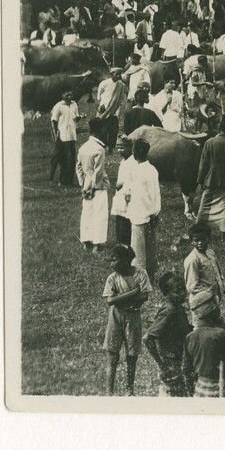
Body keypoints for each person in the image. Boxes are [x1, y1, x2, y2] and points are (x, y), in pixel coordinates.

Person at [101, 241, 152, 395]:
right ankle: (109, 391)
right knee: (113, 354)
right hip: (116, 317)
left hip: (133, 317)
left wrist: (122, 297)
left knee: (132, 354)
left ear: (127, 260)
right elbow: (110, 300)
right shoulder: (113, 278)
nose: (112, 264)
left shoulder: (140, 274)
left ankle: (129, 388)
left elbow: (144, 296)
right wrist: (132, 293)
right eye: (111, 260)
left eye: (115, 259)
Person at [117, 137, 162, 279]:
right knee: (150, 247)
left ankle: (140, 277)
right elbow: (156, 193)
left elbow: (127, 189)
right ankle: (151, 273)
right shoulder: (153, 169)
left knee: (138, 248)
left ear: (134, 153)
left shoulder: (135, 171)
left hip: (138, 215)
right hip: (151, 214)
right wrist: (156, 211)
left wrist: (123, 192)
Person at [144, 273, 193, 397]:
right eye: (177, 291)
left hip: (179, 359)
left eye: (183, 289)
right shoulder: (169, 311)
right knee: (172, 395)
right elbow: (148, 338)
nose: (182, 293)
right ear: (167, 294)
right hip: (171, 362)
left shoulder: (178, 308)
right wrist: (161, 363)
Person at [183, 302, 225, 398]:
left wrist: (190, 388)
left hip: (201, 386)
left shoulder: (190, 337)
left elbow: (186, 367)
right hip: (221, 384)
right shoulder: (220, 334)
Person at [182, 222, 225, 325]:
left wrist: (221, 288)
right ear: (191, 241)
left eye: (203, 239)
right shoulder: (192, 260)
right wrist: (209, 294)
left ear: (209, 238)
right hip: (201, 300)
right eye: (196, 240)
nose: (200, 243)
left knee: (214, 323)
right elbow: (192, 286)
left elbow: (217, 271)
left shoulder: (210, 253)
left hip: (213, 297)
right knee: (201, 326)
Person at [75, 129, 111, 251]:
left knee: (87, 212)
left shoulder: (83, 148)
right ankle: (97, 243)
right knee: (100, 213)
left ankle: (86, 241)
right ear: (98, 132)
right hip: (98, 185)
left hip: (86, 184)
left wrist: (82, 184)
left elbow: (78, 167)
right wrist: (94, 187)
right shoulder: (99, 149)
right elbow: (99, 171)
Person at [48, 91, 80, 185]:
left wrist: (80, 117)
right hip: (62, 136)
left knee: (70, 159)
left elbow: (75, 118)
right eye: (67, 95)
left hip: (71, 136)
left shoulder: (74, 104)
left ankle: (68, 181)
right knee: (59, 158)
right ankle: (54, 178)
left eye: (71, 95)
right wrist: (55, 135)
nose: (69, 97)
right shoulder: (59, 106)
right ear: (62, 95)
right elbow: (54, 121)